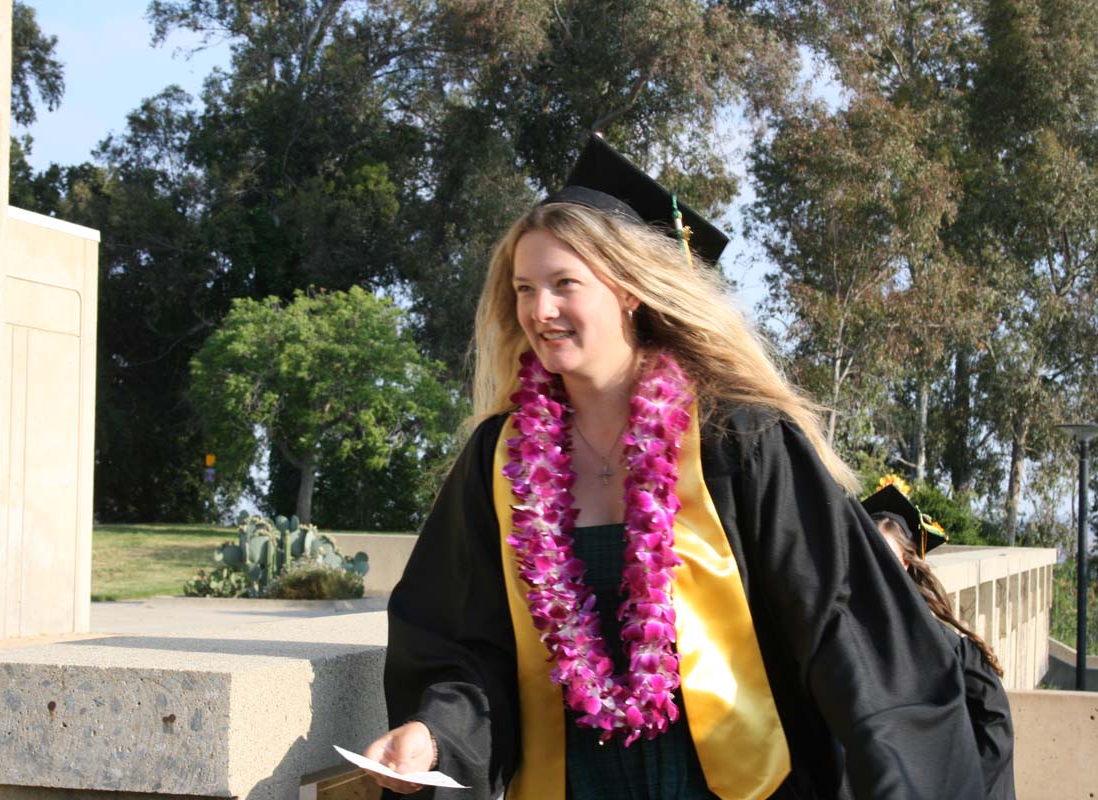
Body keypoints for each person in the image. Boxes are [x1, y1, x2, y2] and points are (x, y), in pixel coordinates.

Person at [364, 134, 985, 799]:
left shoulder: (736, 438)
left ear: (629, 290)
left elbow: (848, 632)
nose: (539, 311)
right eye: (524, 289)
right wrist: (434, 733)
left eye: (563, 284)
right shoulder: (499, 460)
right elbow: (465, 647)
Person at [862, 481, 1016, 800]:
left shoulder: (947, 647)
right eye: (867, 554)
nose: (876, 566)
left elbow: (995, 730)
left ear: (906, 562)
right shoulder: (852, 641)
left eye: (886, 555)